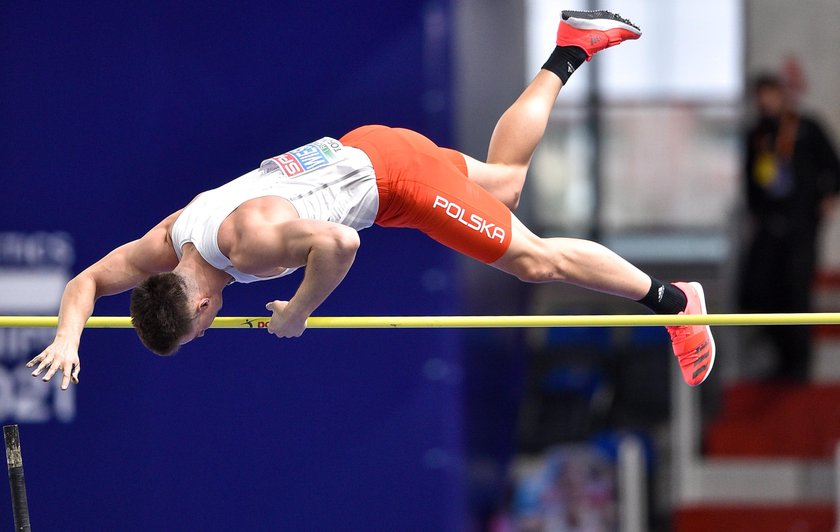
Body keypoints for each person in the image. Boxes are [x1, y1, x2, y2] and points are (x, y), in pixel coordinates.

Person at [27, 10, 715, 392]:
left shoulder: (248, 244)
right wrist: (68, 333)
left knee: (533, 263)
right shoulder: (170, 240)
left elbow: (339, 244)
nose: (207, 333)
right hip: (363, 154)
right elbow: (88, 280)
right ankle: (572, 45)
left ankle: (674, 301)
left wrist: (298, 312)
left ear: (200, 307)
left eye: (198, 332)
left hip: (396, 181)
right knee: (503, 180)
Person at [739, 72, 840, 381]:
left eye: (770, 94)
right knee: (756, 288)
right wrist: (756, 211)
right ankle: (777, 354)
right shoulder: (757, 134)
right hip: (770, 225)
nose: (765, 101)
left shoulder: (806, 128)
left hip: (801, 225)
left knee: (796, 292)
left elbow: (832, 167)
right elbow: (751, 181)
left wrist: (828, 198)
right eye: (760, 96)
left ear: (782, 95)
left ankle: (798, 365)